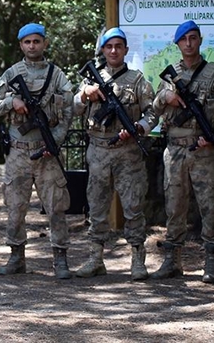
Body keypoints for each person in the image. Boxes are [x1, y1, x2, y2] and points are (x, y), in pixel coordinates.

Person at [0, 24, 75, 279]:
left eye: (37, 41)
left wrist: (54, 142)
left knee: (56, 206)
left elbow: (68, 112)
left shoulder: (57, 75)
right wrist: (11, 102)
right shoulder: (11, 73)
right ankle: (16, 256)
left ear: (45, 44)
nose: (32, 46)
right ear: (21, 45)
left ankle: (60, 258)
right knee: (15, 206)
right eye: (27, 42)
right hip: (18, 152)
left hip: (47, 152)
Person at [74, 27, 157, 281]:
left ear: (125, 50)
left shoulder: (138, 80)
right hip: (98, 150)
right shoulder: (91, 79)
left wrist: (139, 128)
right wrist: (83, 96)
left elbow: (152, 113)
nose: (113, 51)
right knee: (97, 207)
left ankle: (137, 260)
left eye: (118, 46)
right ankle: (95, 258)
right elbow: (73, 108)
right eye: (109, 47)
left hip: (128, 153)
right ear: (103, 50)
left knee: (133, 208)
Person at [150, 21, 214, 283]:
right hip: (175, 149)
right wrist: (167, 98)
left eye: (193, 38)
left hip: (204, 149)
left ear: (200, 40)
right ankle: (173, 261)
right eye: (184, 39)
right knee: (174, 206)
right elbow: (155, 107)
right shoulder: (169, 77)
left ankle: (212, 262)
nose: (189, 43)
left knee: (210, 206)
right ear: (178, 44)